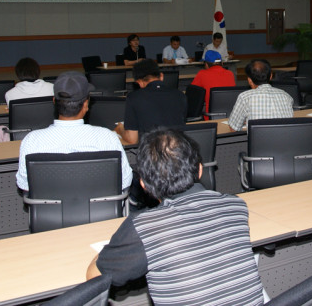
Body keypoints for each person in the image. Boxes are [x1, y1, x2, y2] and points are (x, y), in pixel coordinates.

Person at [87, 128, 264, 306]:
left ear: (144, 185)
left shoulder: (144, 227)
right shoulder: (236, 205)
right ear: (200, 170)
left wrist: (111, 250)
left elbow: (95, 278)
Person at [15, 71, 132, 191]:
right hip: (100, 203)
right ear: (86, 104)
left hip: (49, 203)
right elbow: (125, 181)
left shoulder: (31, 140)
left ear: (54, 101)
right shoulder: (107, 137)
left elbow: (24, 184)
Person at [115, 59, 187, 145]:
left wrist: (119, 129)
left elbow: (132, 140)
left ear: (139, 82)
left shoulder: (134, 97)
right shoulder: (180, 95)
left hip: (151, 150)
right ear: (161, 76)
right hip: (178, 148)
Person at [227, 59, 294, 132]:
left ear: (249, 80)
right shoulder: (286, 96)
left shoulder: (245, 97)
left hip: (260, 139)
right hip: (285, 138)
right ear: (271, 76)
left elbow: (233, 128)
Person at [191, 50, 236, 118]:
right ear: (222, 63)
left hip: (210, 116)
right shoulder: (230, 74)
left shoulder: (202, 74)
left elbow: (192, 94)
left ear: (206, 64)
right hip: (230, 116)